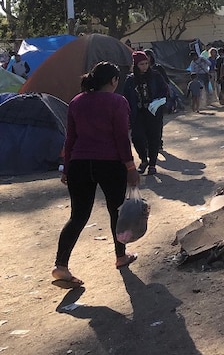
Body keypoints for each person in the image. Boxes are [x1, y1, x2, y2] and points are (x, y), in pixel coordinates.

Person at [52, 62, 139, 288]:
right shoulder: (118, 102)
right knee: (116, 212)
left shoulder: (77, 102)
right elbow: (121, 137)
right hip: (110, 164)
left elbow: (70, 138)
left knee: (78, 216)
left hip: (80, 163)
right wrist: (130, 167)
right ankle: (121, 256)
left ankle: (61, 266)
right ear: (113, 80)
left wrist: (67, 166)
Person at [123, 50, 169, 175]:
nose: (144, 66)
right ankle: (143, 160)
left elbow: (164, 90)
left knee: (154, 138)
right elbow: (126, 97)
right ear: (136, 65)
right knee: (137, 138)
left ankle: (152, 164)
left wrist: (158, 101)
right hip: (137, 113)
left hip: (154, 113)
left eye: (146, 63)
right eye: (141, 64)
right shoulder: (130, 80)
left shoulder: (156, 76)